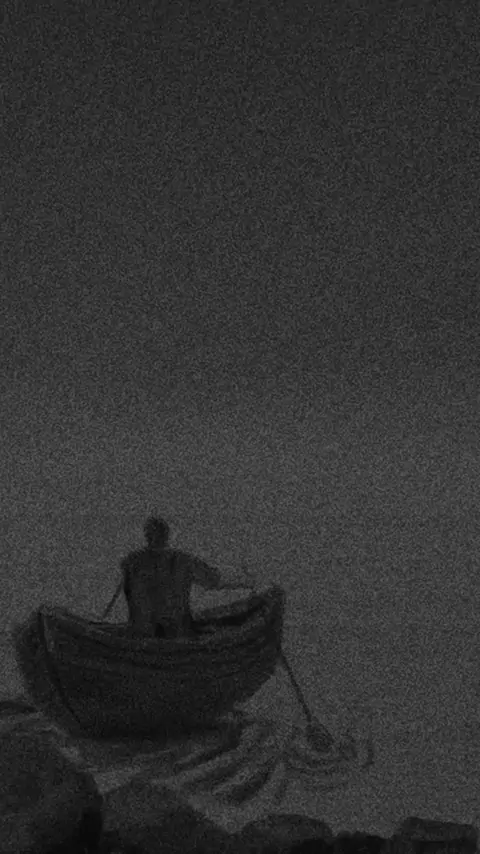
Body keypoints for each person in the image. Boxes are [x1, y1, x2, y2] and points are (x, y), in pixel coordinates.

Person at [121, 516, 255, 640]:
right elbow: (213, 580)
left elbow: (128, 591)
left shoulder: (131, 561)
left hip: (141, 634)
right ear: (166, 536)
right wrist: (246, 582)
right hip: (175, 633)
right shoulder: (183, 560)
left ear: (147, 536)